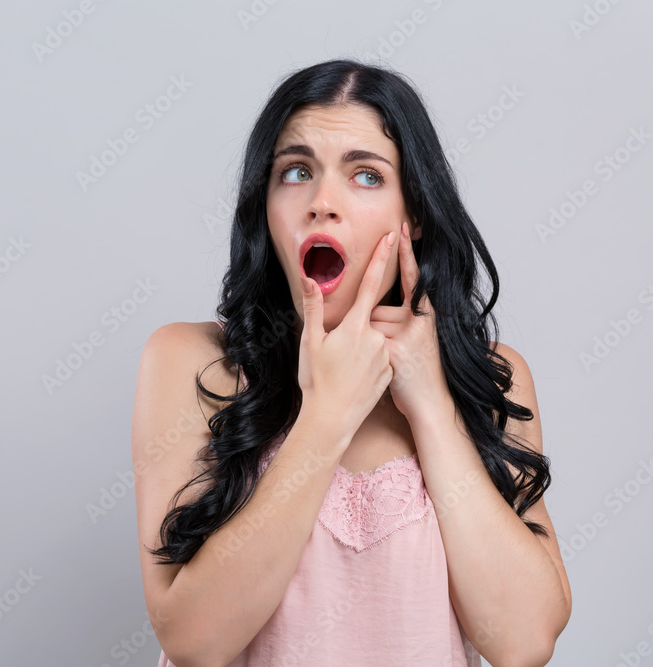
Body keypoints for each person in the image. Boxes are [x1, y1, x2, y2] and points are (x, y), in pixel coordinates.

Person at [131, 58, 571, 667]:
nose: (322, 202)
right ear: (267, 206)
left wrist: (434, 409)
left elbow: (523, 642)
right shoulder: (191, 362)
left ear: (412, 213)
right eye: (295, 172)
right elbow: (194, 642)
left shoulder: (492, 374)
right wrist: (327, 414)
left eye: (366, 175)